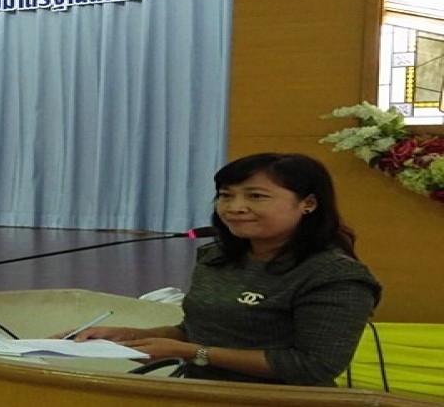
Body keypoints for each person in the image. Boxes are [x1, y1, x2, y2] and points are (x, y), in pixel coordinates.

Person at [64, 152, 381, 386]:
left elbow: (313, 366)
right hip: (199, 391)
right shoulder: (216, 257)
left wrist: (193, 352)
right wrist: (131, 336)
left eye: (256, 196)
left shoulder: (335, 275)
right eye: (226, 196)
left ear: (308, 203)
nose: (235, 207)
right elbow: (197, 331)